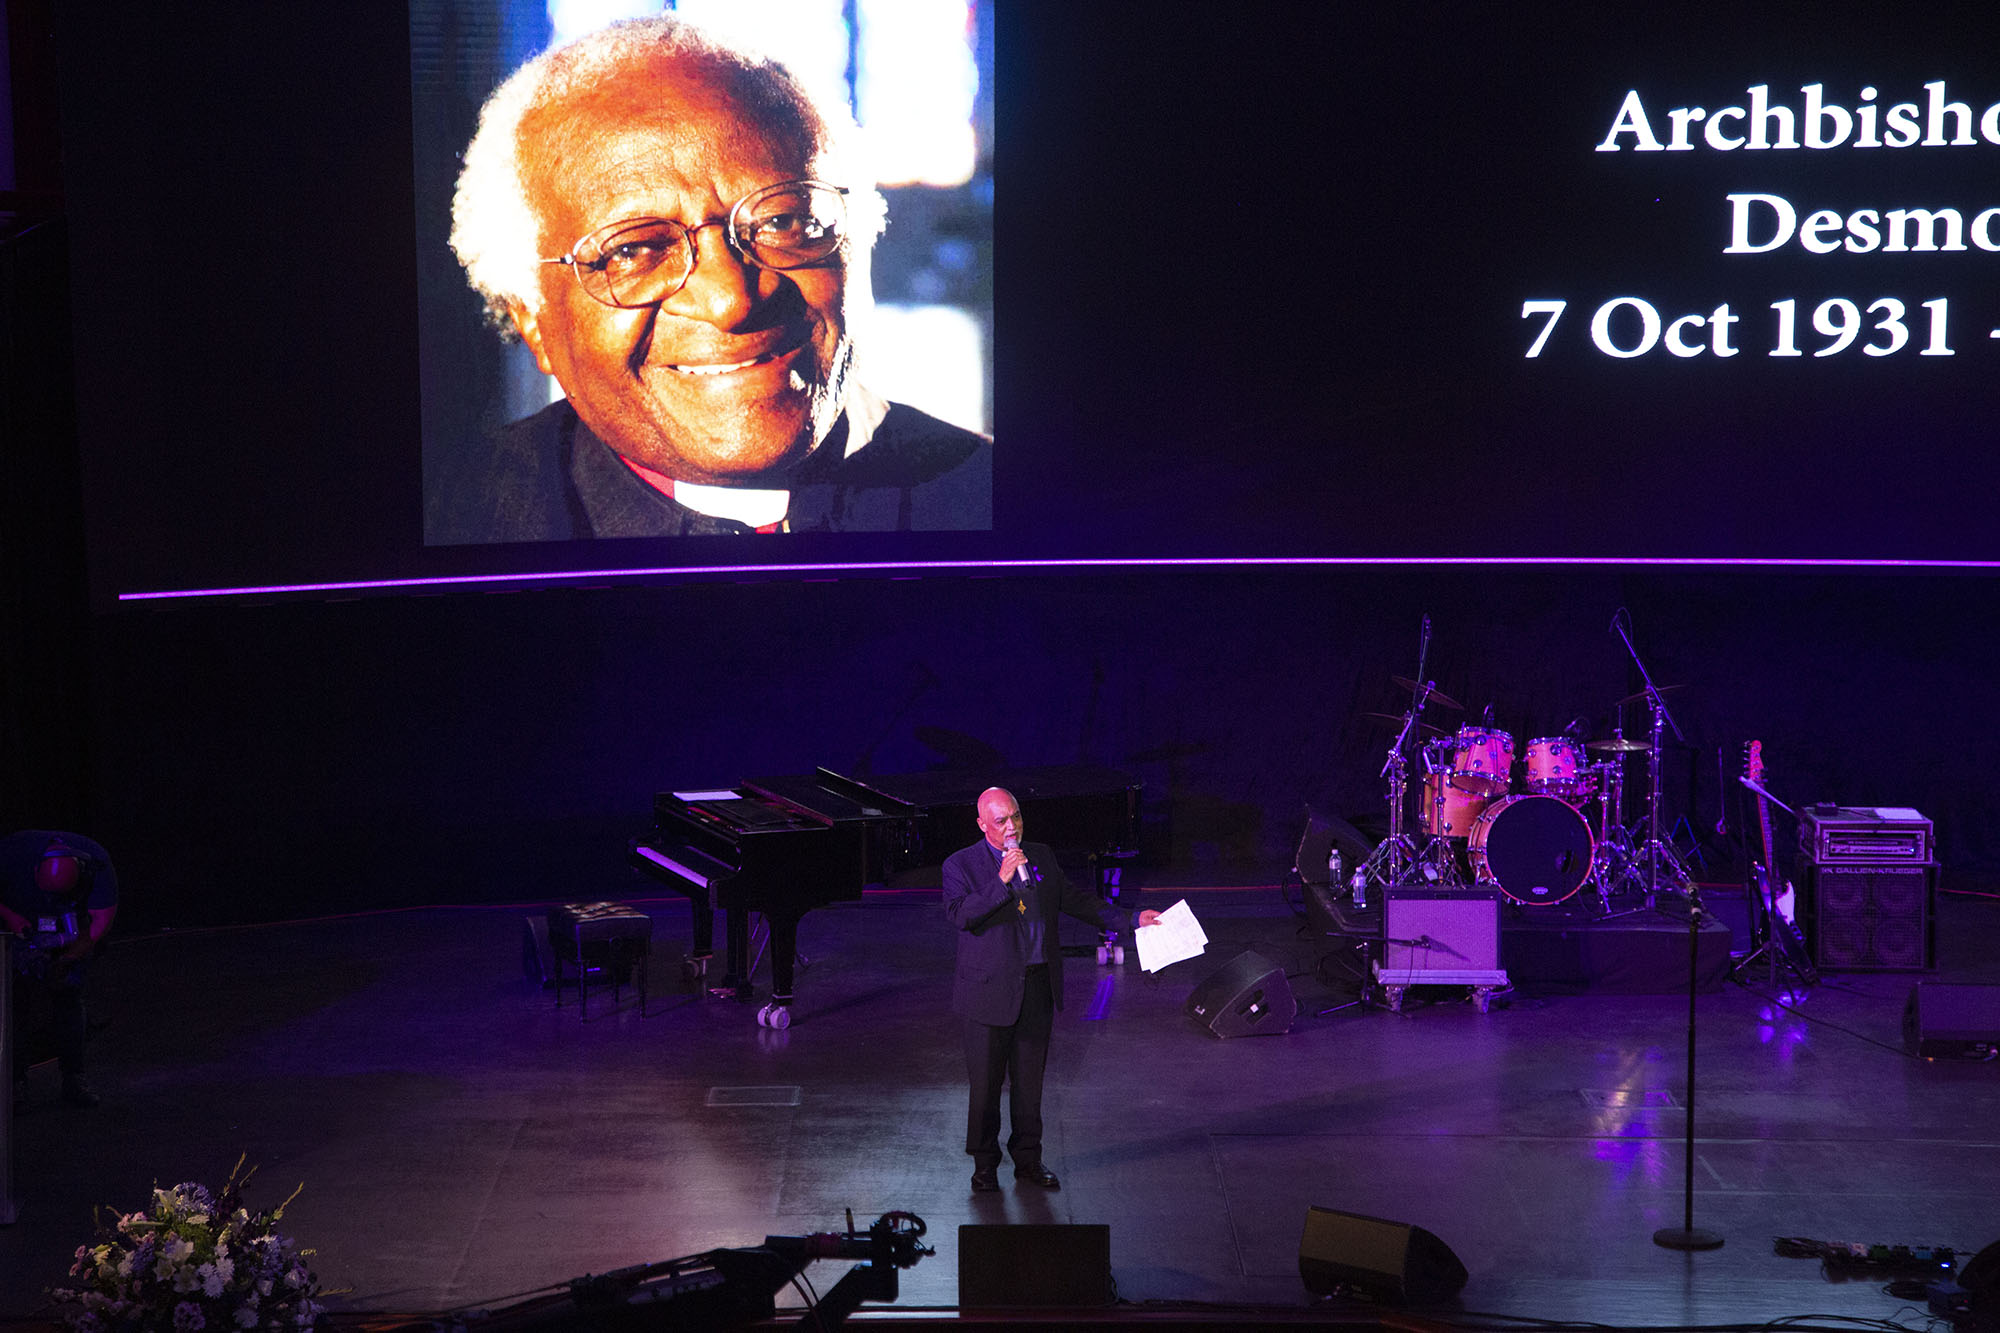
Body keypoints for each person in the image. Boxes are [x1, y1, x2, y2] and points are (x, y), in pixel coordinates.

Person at [430, 15, 991, 543]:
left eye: (782, 221)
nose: (731, 301)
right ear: (532, 318)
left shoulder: (999, 496)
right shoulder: (457, 525)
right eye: (634, 251)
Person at [942, 788, 1159, 1192]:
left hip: (1036, 985)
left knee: (1030, 1084)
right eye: (1002, 821)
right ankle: (985, 1165)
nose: (1012, 828)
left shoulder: (1040, 856)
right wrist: (1002, 880)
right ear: (982, 825)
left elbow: (1077, 901)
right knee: (986, 1086)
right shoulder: (961, 865)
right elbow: (961, 915)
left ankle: (1029, 1161)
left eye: (1017, 817)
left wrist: (1132, 919)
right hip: (988, 992)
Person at [1, 831, 119, 1110]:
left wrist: (68, 958)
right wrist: (12, 919)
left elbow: (100, 920)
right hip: (20, 919)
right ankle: (15, 1082)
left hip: (71, 929)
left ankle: (74, 1078)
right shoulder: (9, 855)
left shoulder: (98, 863)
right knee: (15, 1004)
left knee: (69, 996)